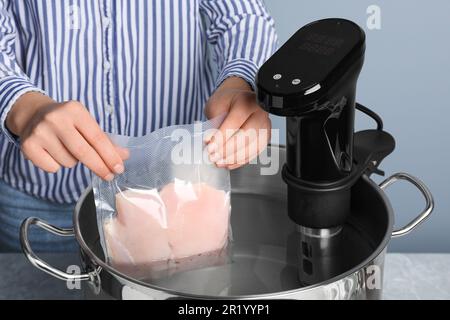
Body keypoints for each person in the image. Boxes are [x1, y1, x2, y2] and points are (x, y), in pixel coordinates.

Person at [0, 0, 277, 252]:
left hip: (182, 194)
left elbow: (242, 16)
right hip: (41, 201)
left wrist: (242, 80)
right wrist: (23, 106)